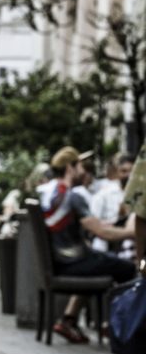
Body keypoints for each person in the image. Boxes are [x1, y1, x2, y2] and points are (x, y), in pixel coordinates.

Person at [39, 146, 136, 343]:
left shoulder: (47, 192)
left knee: (99, 262)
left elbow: (94, 225)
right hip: (71, 261)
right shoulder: (73, 196)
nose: (83, 171)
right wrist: (134, 232)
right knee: (128, 268)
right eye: (80, 166)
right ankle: (120, 326)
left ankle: (69, 319)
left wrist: (112, 225)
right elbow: (102, 233)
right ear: (70, 168)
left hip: (60, 260)